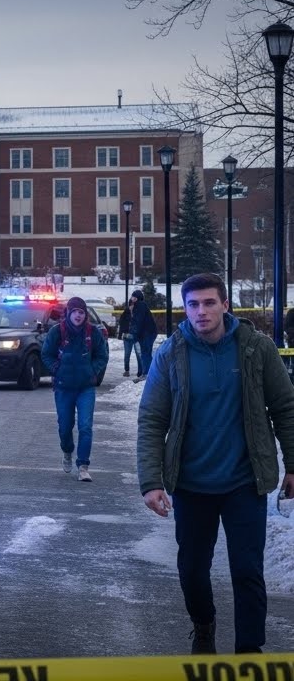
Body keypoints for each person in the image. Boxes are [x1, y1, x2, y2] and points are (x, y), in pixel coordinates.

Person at [138, 273, 294, 655]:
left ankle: (249, 653)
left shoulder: (257, 349)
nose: (201, 311)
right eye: (193, 304)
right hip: (192, 483)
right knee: (192, 571)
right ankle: (203, 625)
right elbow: (152, 418)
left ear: (226, 305)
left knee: (247, 571)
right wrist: (151, 482)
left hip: (244, 481)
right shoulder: (171, 354)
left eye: (209, 303)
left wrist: (293, 464)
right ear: (185, 309)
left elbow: (286, 408)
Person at [42, 296, 109, 482]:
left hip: (85, 388)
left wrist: (92, 371)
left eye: (82, 312)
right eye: (75, 312)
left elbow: (102, 356)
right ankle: (67, 451)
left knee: (85, 427)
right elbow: (46, 354)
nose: (78, 316)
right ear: (68, 313)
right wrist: (56, 369)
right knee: (65, 427)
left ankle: (83, 465)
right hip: (63, 388)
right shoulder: (58, 331)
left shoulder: (92, 332)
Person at [130, 289, 159, 377]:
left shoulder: (140, 305)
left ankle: (147, 373)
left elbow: (139, 321)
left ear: (137, 297)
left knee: (145, 352)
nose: (132, 298)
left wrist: (135, 334)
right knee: (145, 353)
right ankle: (147, 372)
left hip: (148, 333)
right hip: (147, 333)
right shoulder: (139, 306)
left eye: (133, 296)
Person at [118, 298, 135, 377]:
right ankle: (127, 370)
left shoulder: (138, 313)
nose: (132, 306)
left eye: (134, 305)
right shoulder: (125, 313)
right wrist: (120, 334)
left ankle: (141, 371)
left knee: (139, 354)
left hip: (136, 336)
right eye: (131, 305)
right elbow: (121, 324)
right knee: (127, 354)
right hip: (127, 337)